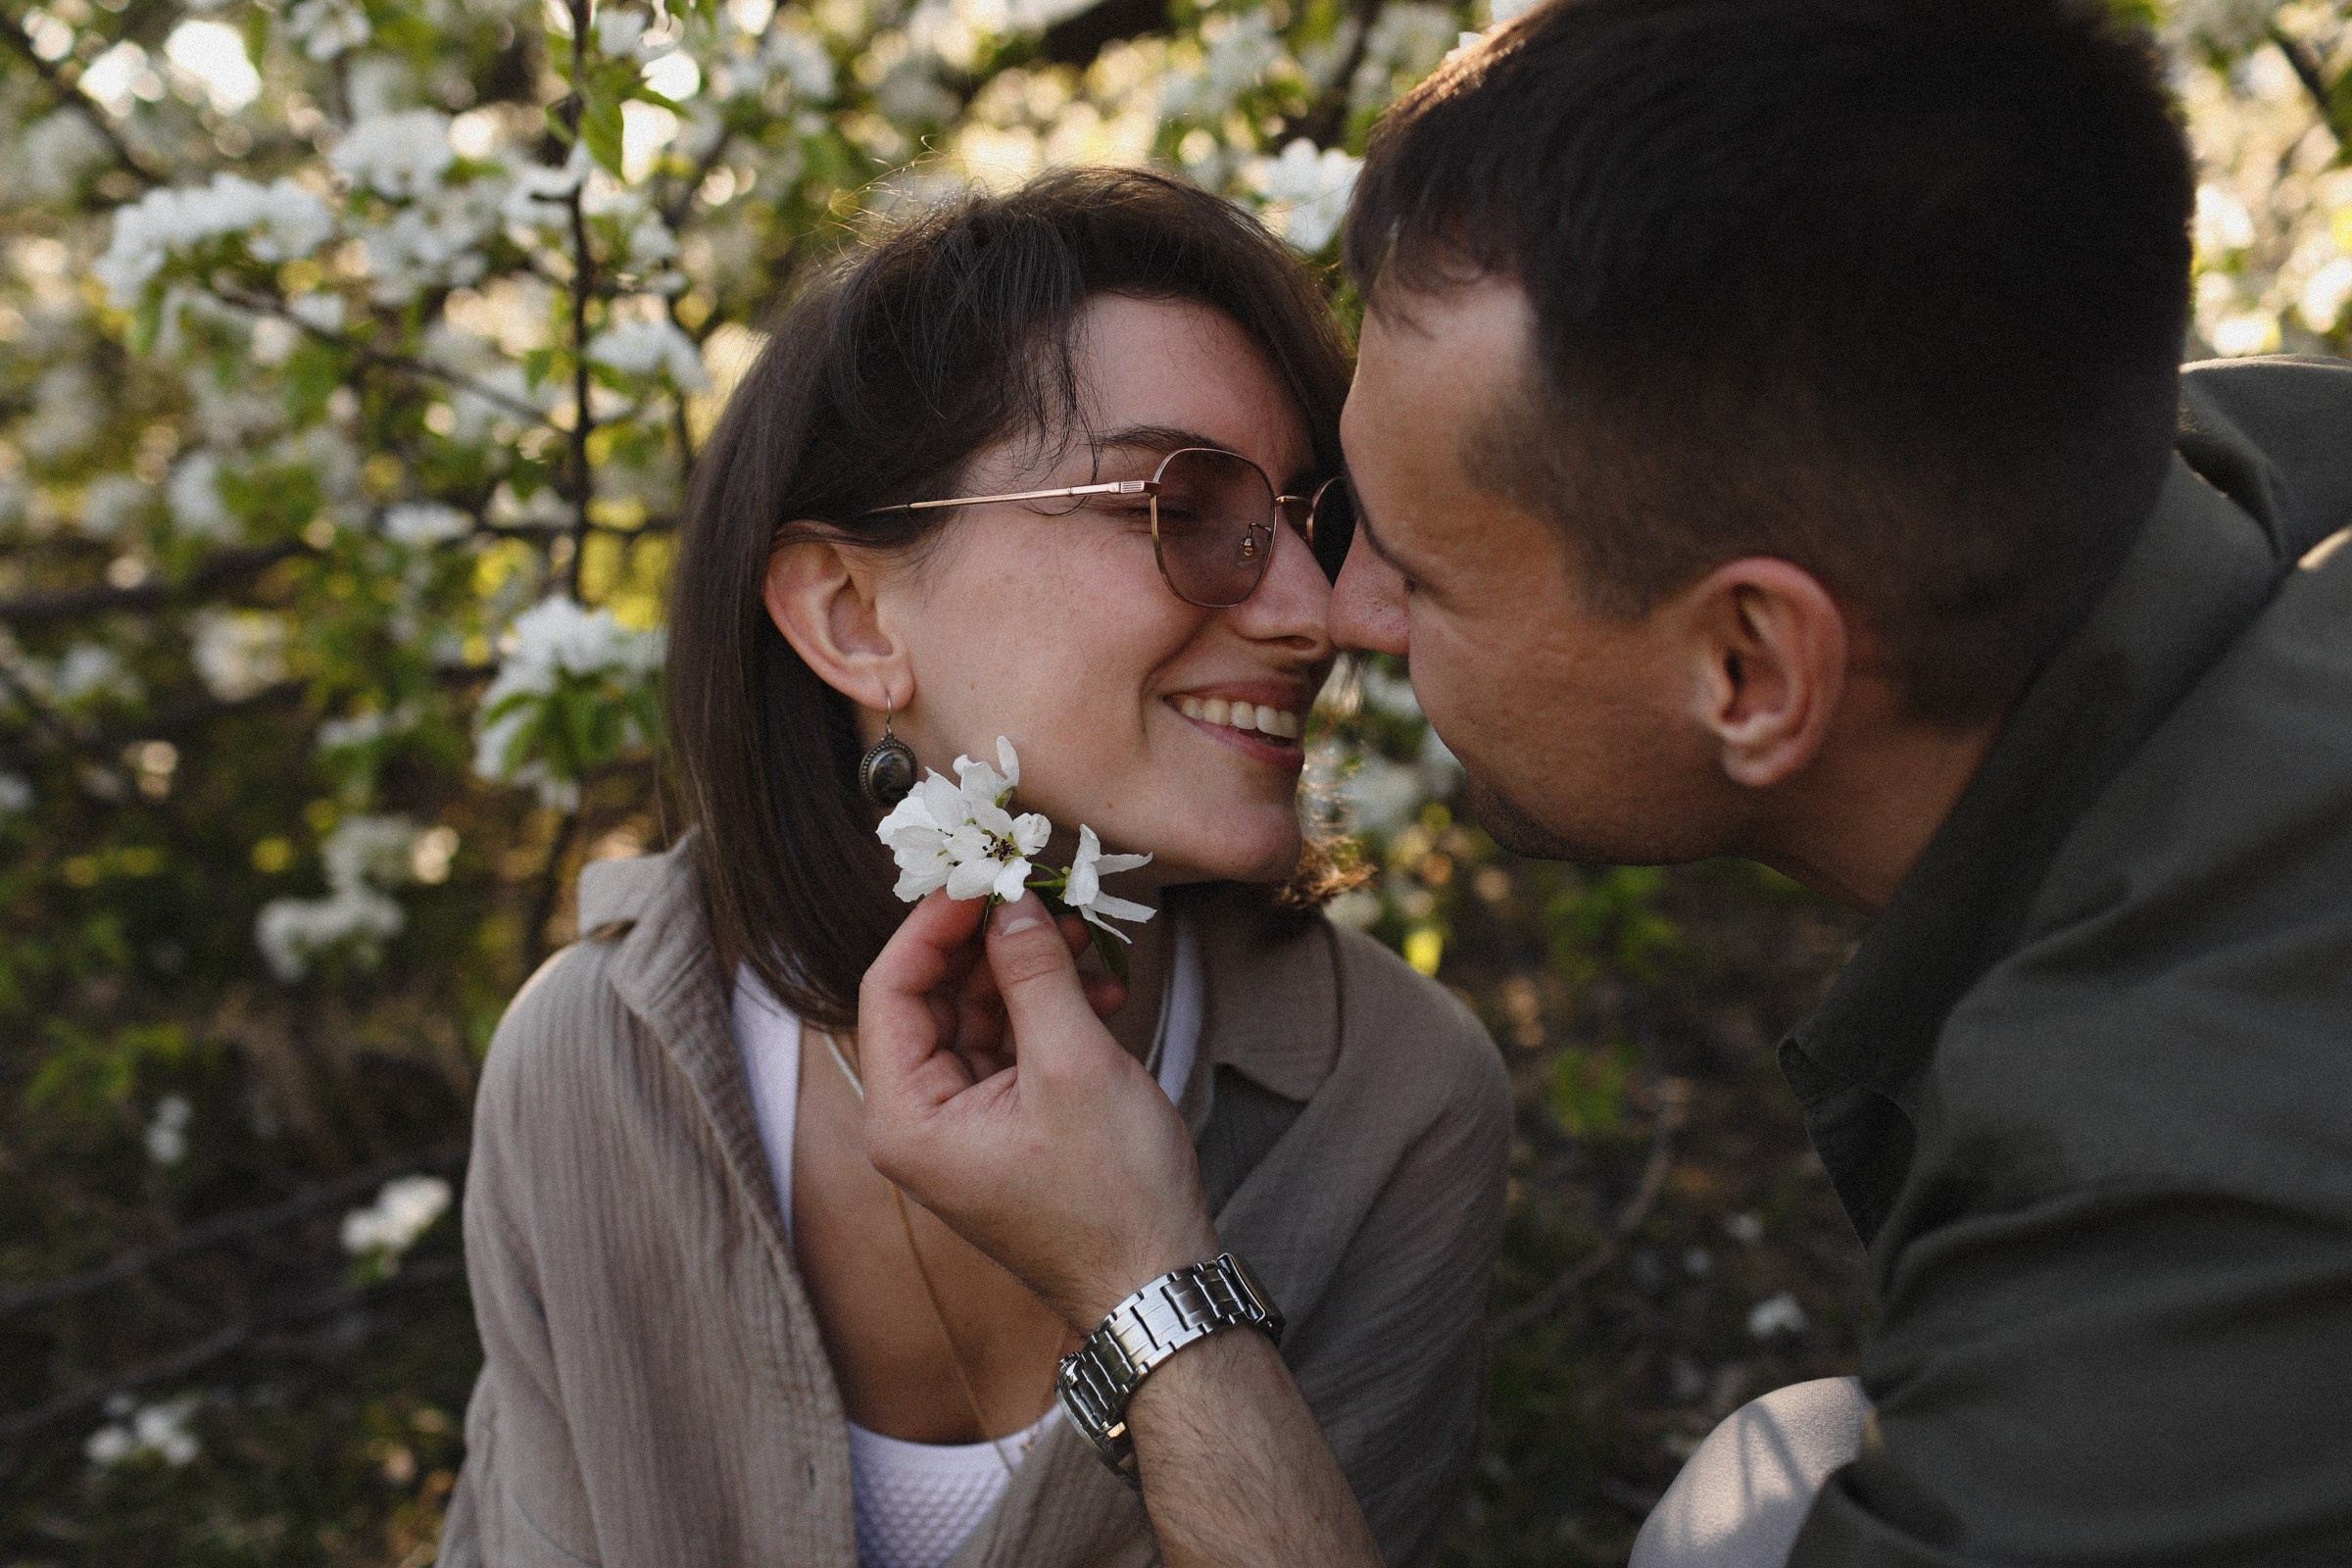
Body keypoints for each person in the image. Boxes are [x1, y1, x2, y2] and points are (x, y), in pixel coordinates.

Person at [858, 2, 2352, 1565]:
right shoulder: (2250, 483)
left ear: (1751, 671)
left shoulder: (2179, 1202)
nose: (1335, 615)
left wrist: (1143, 1286)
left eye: (1420, 575)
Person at [437, 168, 1510, 1568]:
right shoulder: (600, 1066)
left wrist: (1149, 1287)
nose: (1314, 615)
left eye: (1310, 520)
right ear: (851, 612)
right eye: (1184, 506)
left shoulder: (1391, 1104)